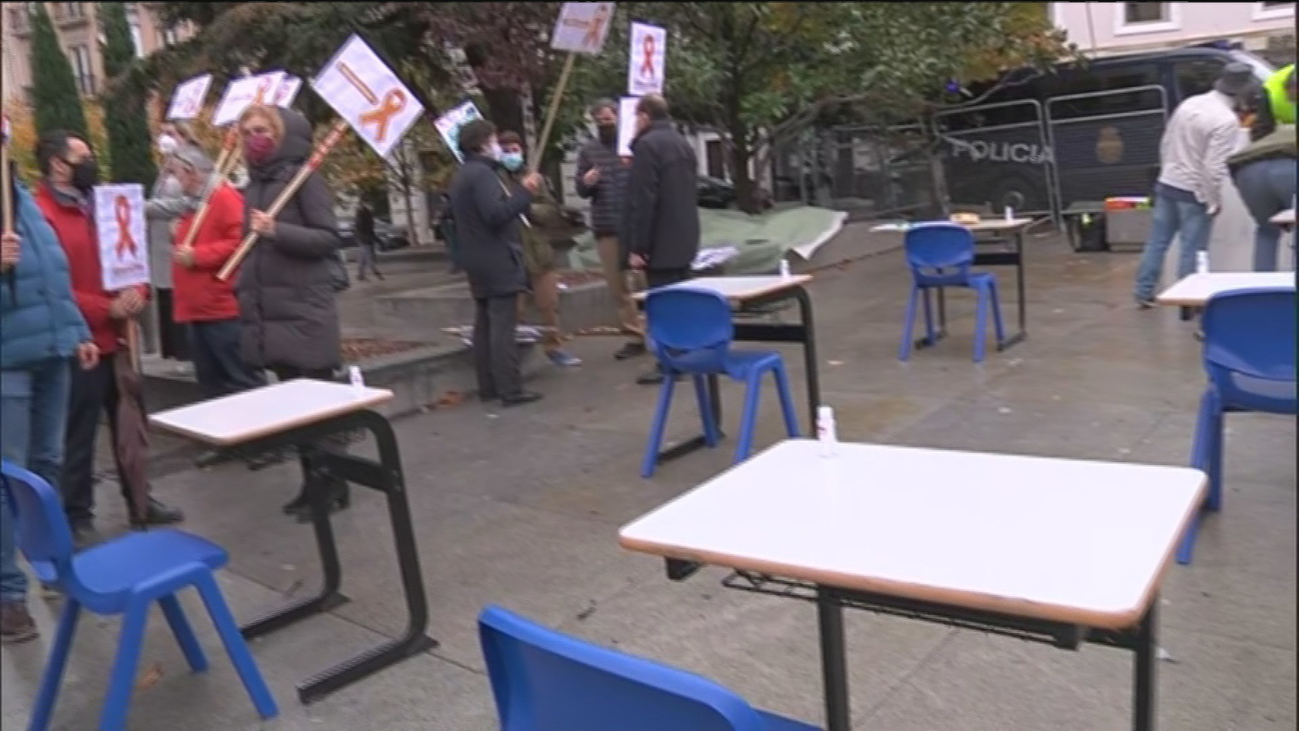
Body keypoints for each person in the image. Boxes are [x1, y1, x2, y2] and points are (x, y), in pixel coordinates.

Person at [32, 130, 184, 545]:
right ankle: (77, 516)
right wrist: (104, 309)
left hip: (119, 340)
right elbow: (52, 286)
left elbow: (130, 257)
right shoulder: (39, 214)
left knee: (131, 426)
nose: (92, 161)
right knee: (78, 435)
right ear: (58, 165)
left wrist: (138, 294)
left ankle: (140, 499)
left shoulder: (106, 205)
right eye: (83, 155)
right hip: (78, 345)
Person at [235, 104, 350, 521]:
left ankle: (332, 484)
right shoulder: (255, 185)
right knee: (294, 411)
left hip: (304, 313)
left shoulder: (305, 180)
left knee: (319, 409)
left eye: (262, 129)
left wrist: (276, 231)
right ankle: (310, 483)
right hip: (273, 316)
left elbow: (327, 238)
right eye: (247, 131)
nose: (254, 137)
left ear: (281, 134)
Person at [1, 177, 99, 643]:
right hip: (6, 363)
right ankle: (8, 597)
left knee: (46, 466)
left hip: (51, 353)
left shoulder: (16, 191)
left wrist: (77, 331)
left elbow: (54, 274)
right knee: (8, 479)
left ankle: (53, 566)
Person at [1133, 64, 1256, 307]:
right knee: (1194, 249)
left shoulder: (1189, 104)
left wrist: (1167, 170)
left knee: (1157, 242)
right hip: (1194, 191)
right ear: (1242, 92)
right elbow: (1213, 167)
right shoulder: (1225, 121)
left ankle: (1143, 292)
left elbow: (1166, 142)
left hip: (1168, 181)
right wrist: (1213, 201)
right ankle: (1187, 302)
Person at [447, 119, 544, 406]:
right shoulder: (483, 175)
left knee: (484, 325)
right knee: (502, 327)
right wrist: (525, 193)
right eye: (493, 140)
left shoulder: (463, 174)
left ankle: (488, 385)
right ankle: (510, 388)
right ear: (482, 144)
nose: (497, 146)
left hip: (477, 258)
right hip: (496, 258)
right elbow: (496, 214)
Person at [165, 144, 266, 397]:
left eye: (176, 174)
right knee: (213, 386)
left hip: (221, 310)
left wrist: (197, 256)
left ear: (191, 172)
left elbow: (240, 241)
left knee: (241, 383)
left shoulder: (223, 197)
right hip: (201, 311)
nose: (174, 181)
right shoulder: (196, 203)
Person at [621, 94, 702, 385]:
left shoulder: (647, 146)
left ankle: (669, 361)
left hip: (660, 240)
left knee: (663, 303)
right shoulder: (682, 144)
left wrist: (637, 246)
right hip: (684, 235)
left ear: (644, 116)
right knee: (683, 298)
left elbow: (643, 200)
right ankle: (688, 354)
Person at [498, 130, 582, 368]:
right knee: (514, 309)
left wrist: (529, 208)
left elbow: (551, 211)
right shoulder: (495, 179)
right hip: (510, 251)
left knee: (549, 304)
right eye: (506, 151)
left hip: (538, 250)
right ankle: (515, 354)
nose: (511, 155)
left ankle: (554, 347)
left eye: (514, 150)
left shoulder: (535, 179)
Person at [575, 99, 639, 360]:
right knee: (618, 286)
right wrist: (586, 182)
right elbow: (580, 190)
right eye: (600, 120)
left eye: (608, 119)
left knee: (644, 284)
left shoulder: (632, 148)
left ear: (618, 118)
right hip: (606, 226)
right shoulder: (588, 151)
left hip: (634, 226)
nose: (605, 124)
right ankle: (634, 335)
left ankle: (658, 334)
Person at [147, 121, 194, 362]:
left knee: (178, 299)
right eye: (162, 133)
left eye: (171, 134)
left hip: (178, 243)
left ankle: (185, 354)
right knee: (166, 298)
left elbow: (185, 202)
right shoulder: (166, 168)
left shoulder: (190, 166)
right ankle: (173, 353)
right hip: (161, 243)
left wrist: (148, 208)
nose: (164, 138)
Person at [1229, 123, 1297, 271]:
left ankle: (1261, 285)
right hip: (1290, 166)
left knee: (1267, 231)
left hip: (1246, 170)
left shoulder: (1279, 133)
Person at [1251, 63, 1294, 142]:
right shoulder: (1269, 91)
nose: (1292, 101)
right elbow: (1264, 128)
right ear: (1285, 87)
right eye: (1293, 97)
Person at [355, 200, 383, 281]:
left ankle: (361, 275)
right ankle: (375, 271)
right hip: (365, 239)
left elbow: (360, 227)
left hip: (363, 238)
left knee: (363, 257)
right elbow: (363, 227)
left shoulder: (363, 214)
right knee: (368, 256)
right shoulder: (364, 214)